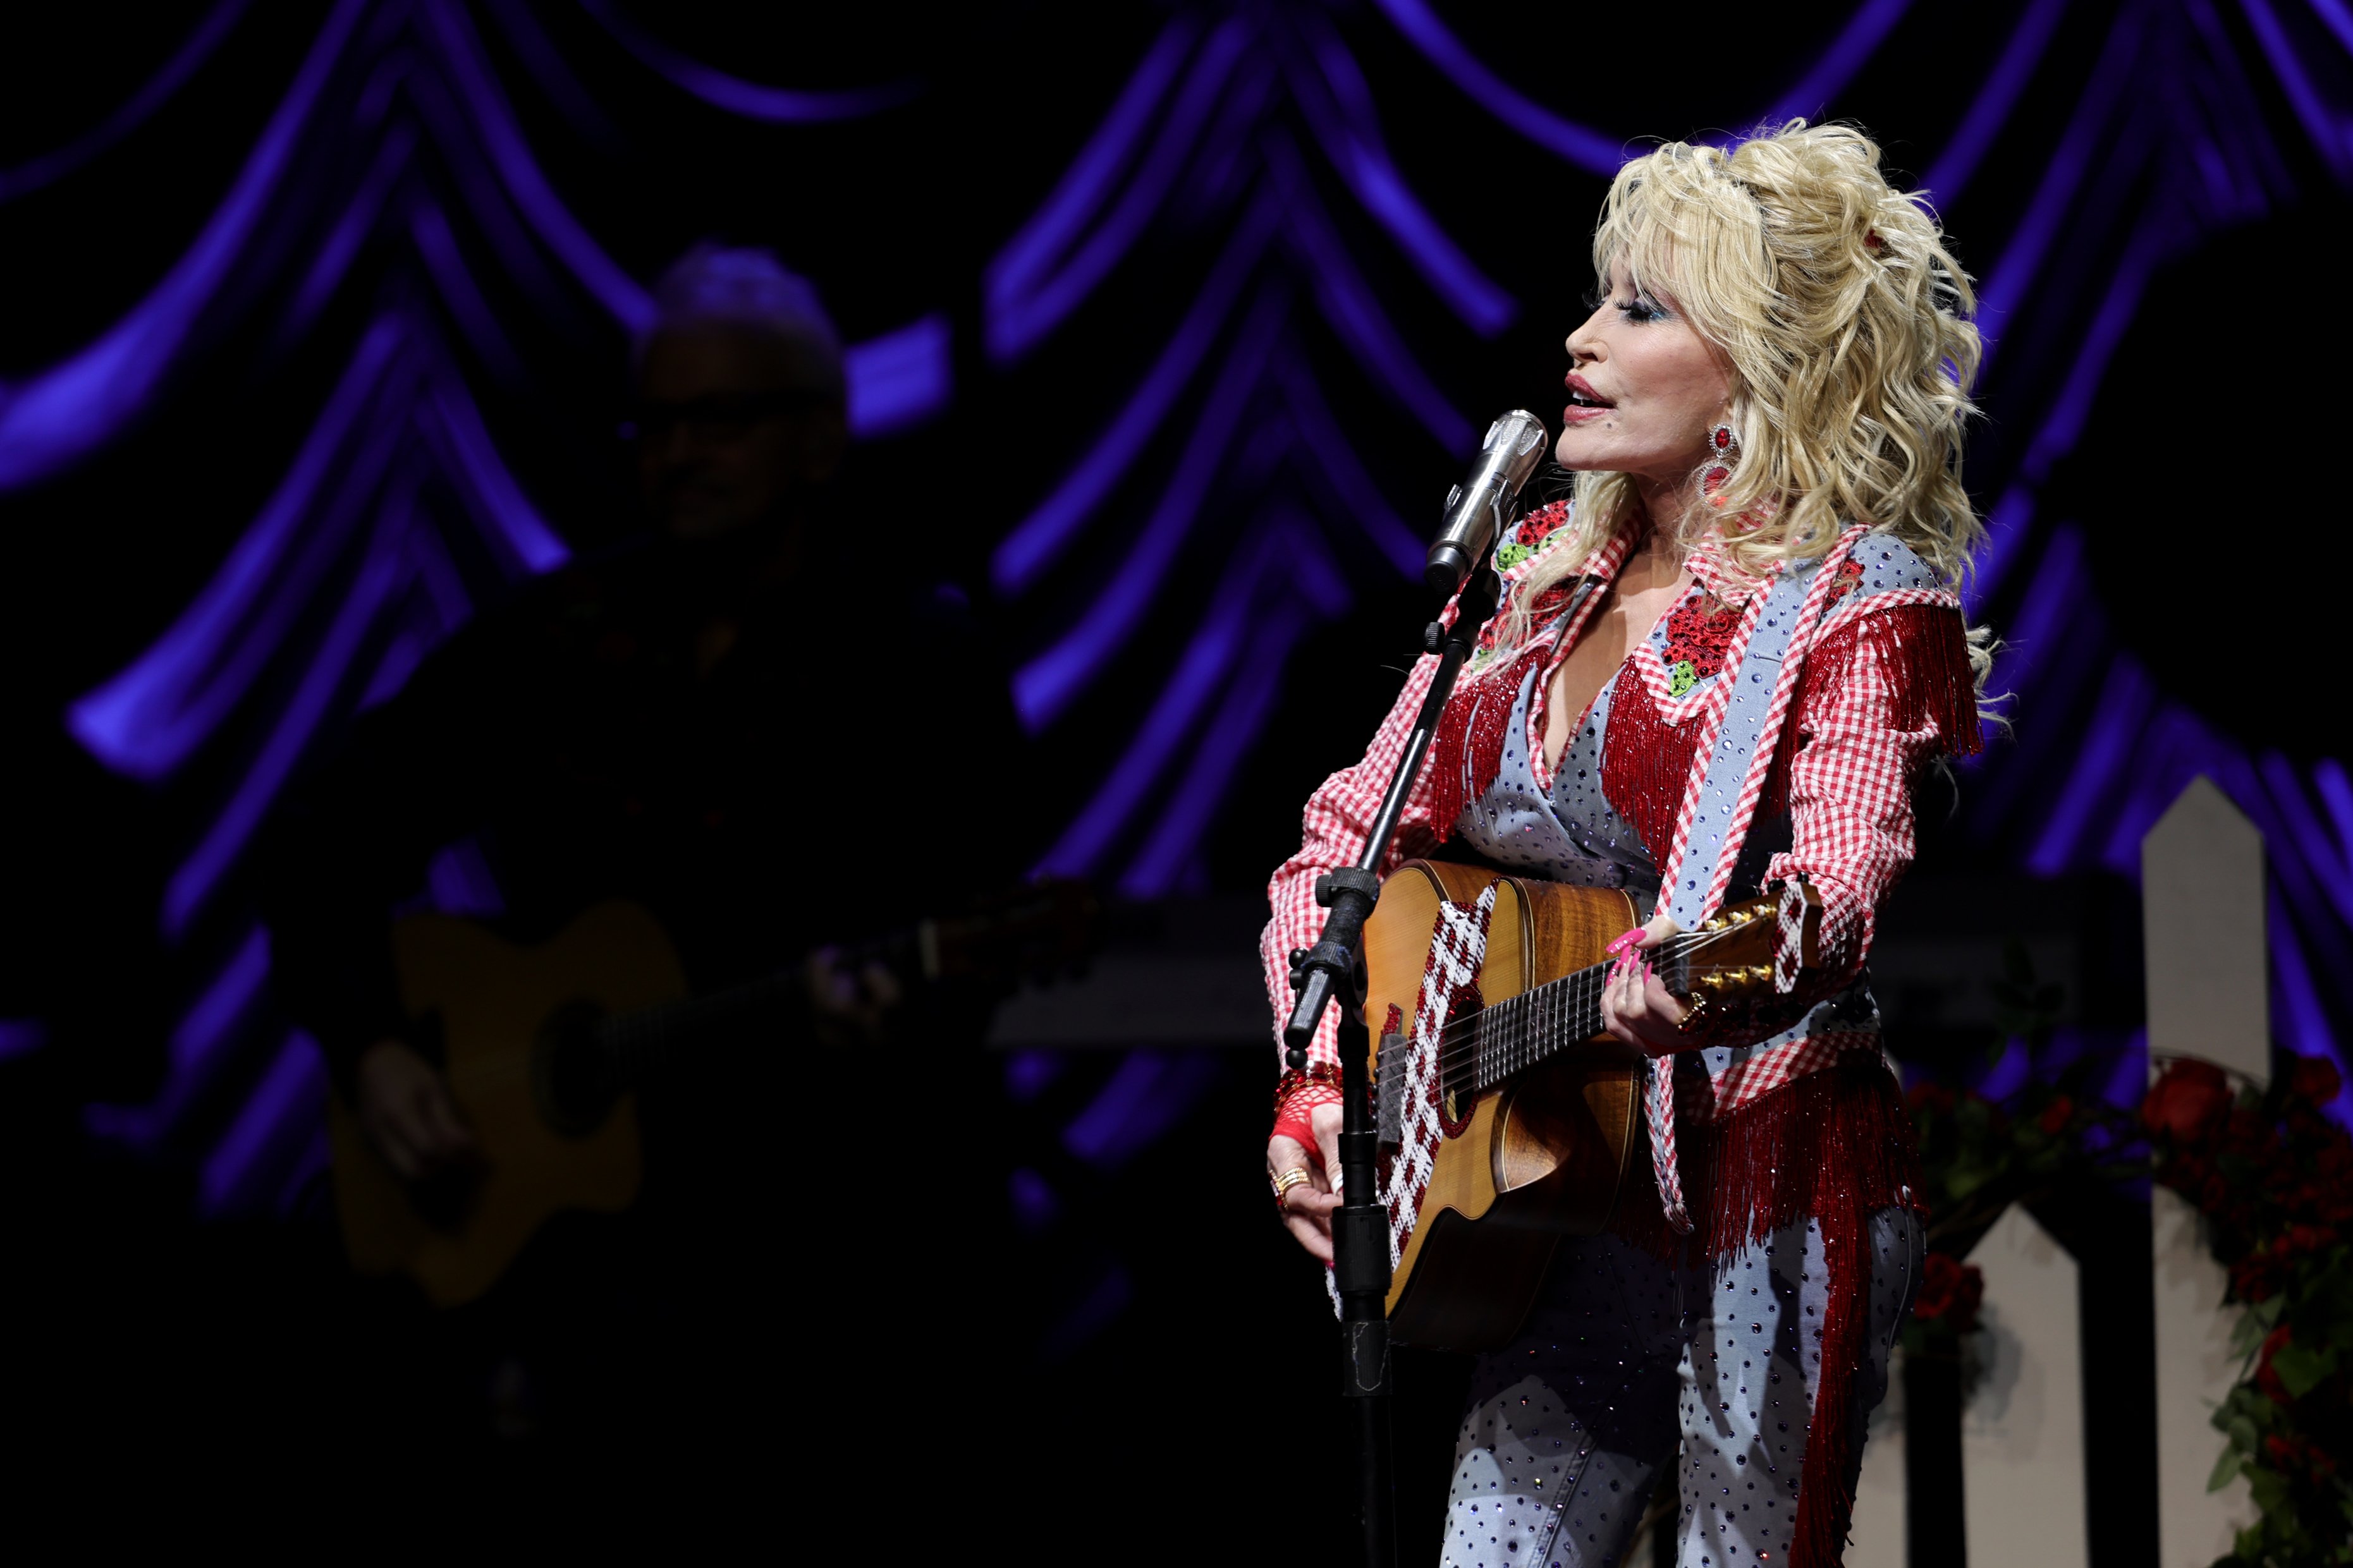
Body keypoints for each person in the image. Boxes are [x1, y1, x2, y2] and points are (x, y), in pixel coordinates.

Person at [1260, 123, 1988, 1567]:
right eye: (1598, 301)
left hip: (1764, 1176)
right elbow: (1341, 840)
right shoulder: (1529, 582)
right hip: (1552, 1191)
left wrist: (1729, 963)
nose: (1580, 338)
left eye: (1641, 308)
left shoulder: (1856, 602)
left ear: (1758, 365)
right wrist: (1324, 1079)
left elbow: (1832, 889)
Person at [266, 246, 1026, 1473]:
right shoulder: (552, 641)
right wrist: (375, 1044)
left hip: (830, 1279)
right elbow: (322, 838)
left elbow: (968, 939)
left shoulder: (918, 660)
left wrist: (902, 1006)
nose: (677, 453)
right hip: (573, 1300)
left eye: (720, 419)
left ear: (821, 442)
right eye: (656, 422)